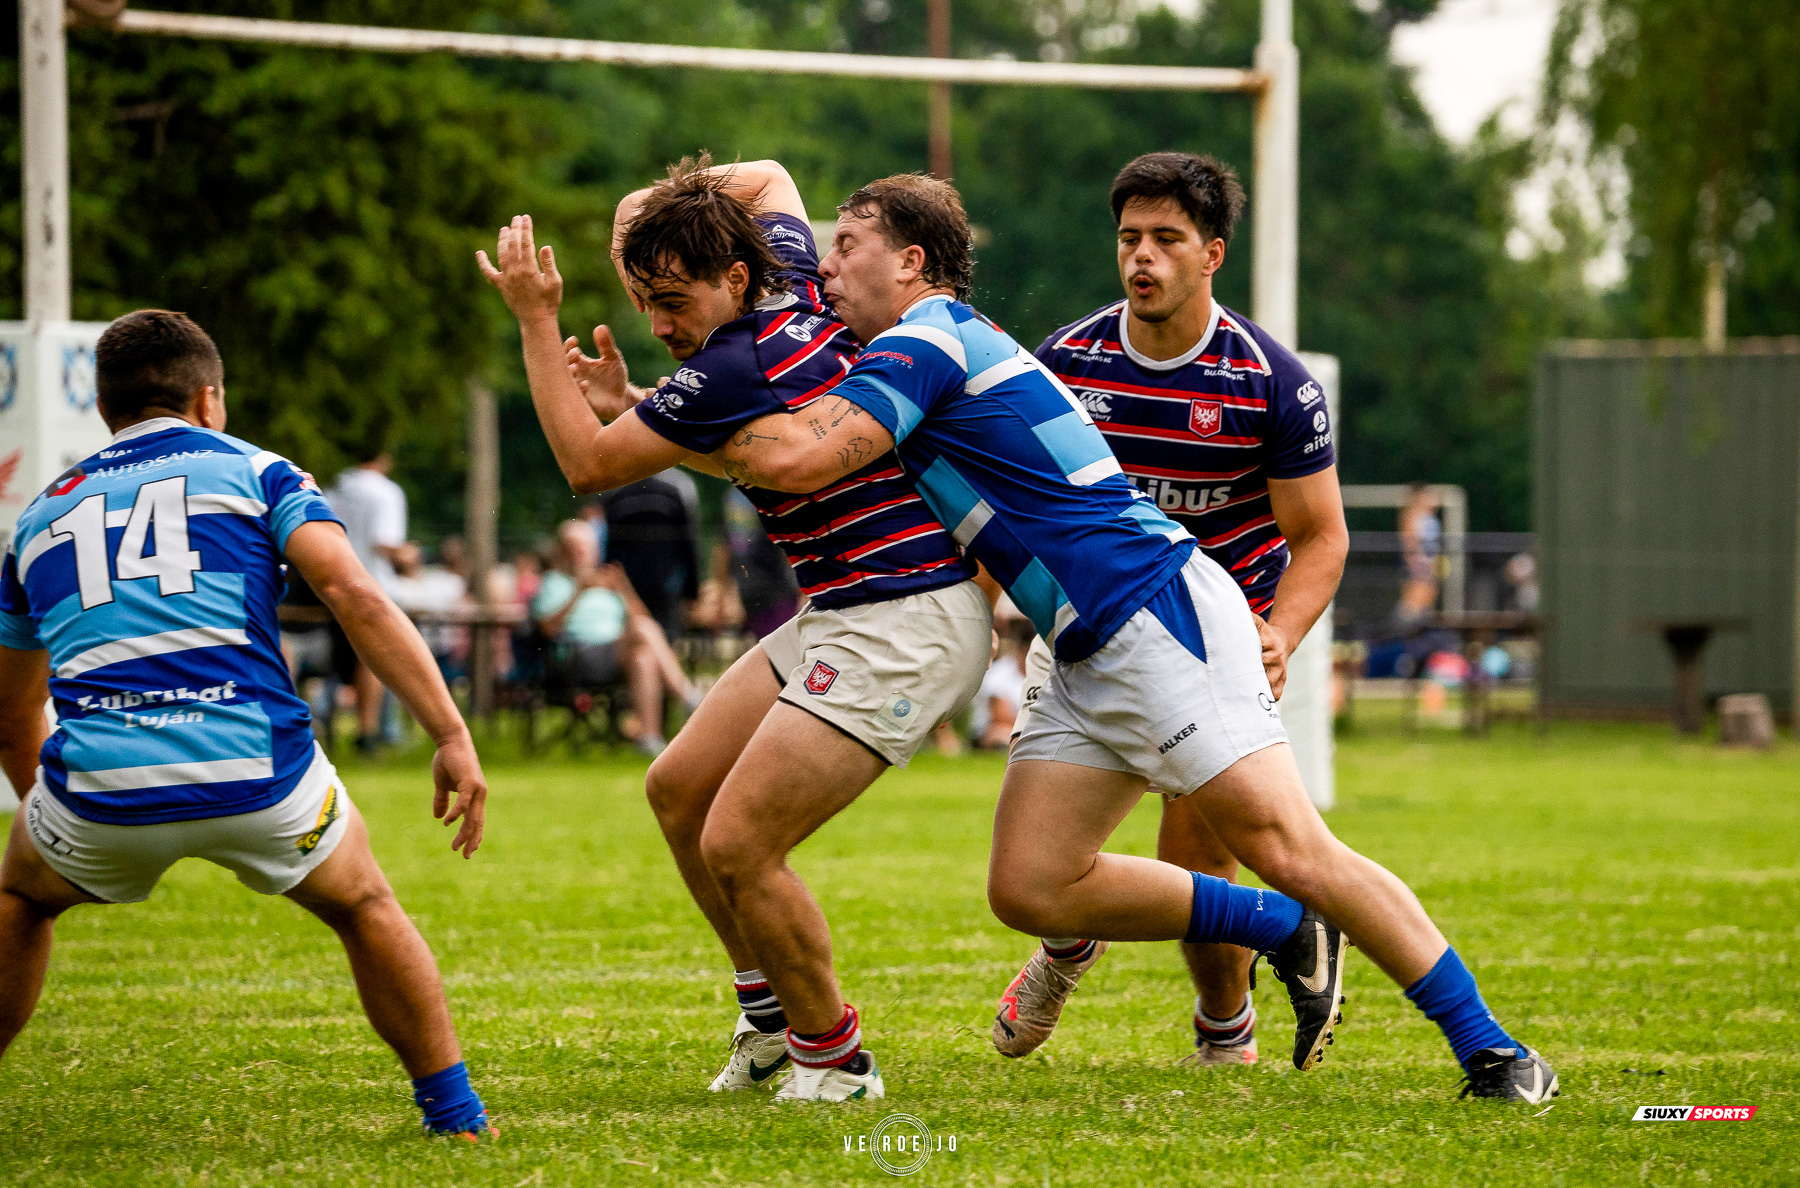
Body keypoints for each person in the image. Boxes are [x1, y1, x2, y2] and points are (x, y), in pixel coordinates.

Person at [706, 174, 1558, 1102]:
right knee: (1032, 887)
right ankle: (1284, 929)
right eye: (1128, 237)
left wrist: (663, 387)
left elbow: (792, 454)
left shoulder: (931, 338)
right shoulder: (941, 346)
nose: (824, 265)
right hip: (1081, 642)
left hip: (1160, 616)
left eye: (846, 248)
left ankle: (1499, 1053)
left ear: (911, 263)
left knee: (1290, 845)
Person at [477, 157, 991, 1102]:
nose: (662, 325)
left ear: (733, 281)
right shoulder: (791, 268)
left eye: (673, 300)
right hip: (847, 604)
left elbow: (587, 468)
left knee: (739, 843)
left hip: (904, 614)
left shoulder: (728, 364)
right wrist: (681, 209)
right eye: (645, 301)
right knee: (678, 789)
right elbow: (774, 174)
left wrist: (537, 319)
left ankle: (835, 1062)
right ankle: (768, 1022)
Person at [0, 310, 494, 1137]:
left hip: (99, 795)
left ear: (107, 410)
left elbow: (13, 709)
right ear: (209, 399)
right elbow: (355, 594)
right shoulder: (260, 472)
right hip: (258, 774)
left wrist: (64, 820)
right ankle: (457, 1113)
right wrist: (449, 732)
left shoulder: (38, 516)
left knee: (19, 898)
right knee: (366, 904)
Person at [1015, 152, 1351, 1067]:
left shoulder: (1272, 383)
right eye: (1129, 238)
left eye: (1166, 239)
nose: (1142, 258)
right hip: (1090, 639)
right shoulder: (1064, 361)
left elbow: (1321, 538)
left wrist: (1279, 634)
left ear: (1213, 253)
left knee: (1202, 876)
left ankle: (1221, 1027)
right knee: (1040, 867)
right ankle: (1065, 941)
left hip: (1213, 649)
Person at [531, 519, 698, 756]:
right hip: (578, 657)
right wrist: (579, 590)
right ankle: (686, 696)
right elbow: (547, 628)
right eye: (573, 547)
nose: (580, 553)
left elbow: (646, 621)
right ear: (562, 550)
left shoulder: (609, 584)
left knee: (643, 656)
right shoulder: (554, 582)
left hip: (616, 655)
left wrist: (623, 589)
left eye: (585, 546)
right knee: (641, 630)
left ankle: (649, 739)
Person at [327, 452, 407, 753]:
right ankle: (373, 731)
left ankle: (346, 729)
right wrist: (408, 556)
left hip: (334, 585)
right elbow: (383, 542)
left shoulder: (336, 487)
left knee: (341, 664)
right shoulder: (386, 491)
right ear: (385, 457)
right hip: (375, 585)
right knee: (374, 658)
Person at [599, 475, 700, 643]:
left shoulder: (615, 491)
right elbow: (689, 542)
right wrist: (692, 592)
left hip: (629, 585)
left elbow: (608, 548)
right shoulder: (678, 487)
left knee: (633, 637)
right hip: (667, 583)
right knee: (666, 639)